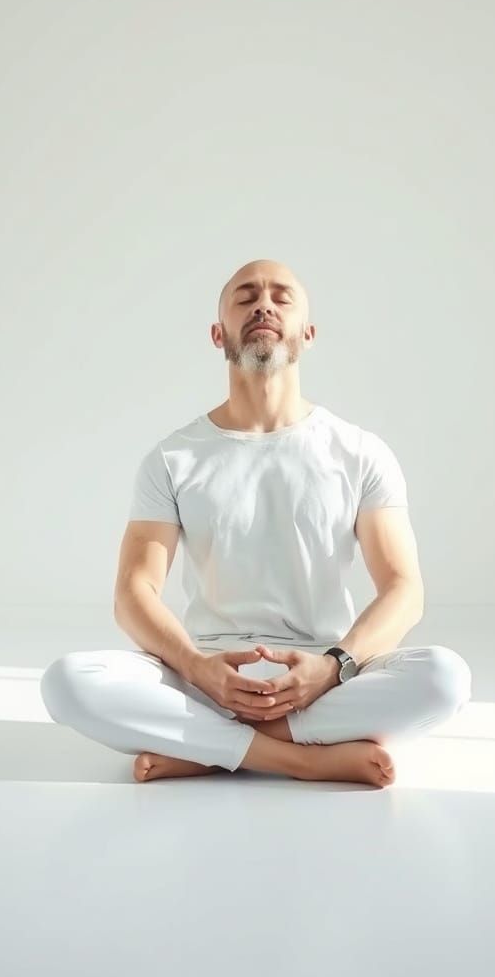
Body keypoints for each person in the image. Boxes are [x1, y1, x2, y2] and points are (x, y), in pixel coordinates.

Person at [39, 259, 472, 787]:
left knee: (446, 678)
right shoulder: (173, 457)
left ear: (307, 334)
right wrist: (199, 669)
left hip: (325, 676)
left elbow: (404, 589)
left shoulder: (360, 452)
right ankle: (300, 757)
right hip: (205, 674)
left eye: (281, 297)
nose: (264, 303)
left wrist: (334, 667)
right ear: (218, 334)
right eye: (246, 297)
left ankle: (207, 749)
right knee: (67, 683)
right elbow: (134, 592)